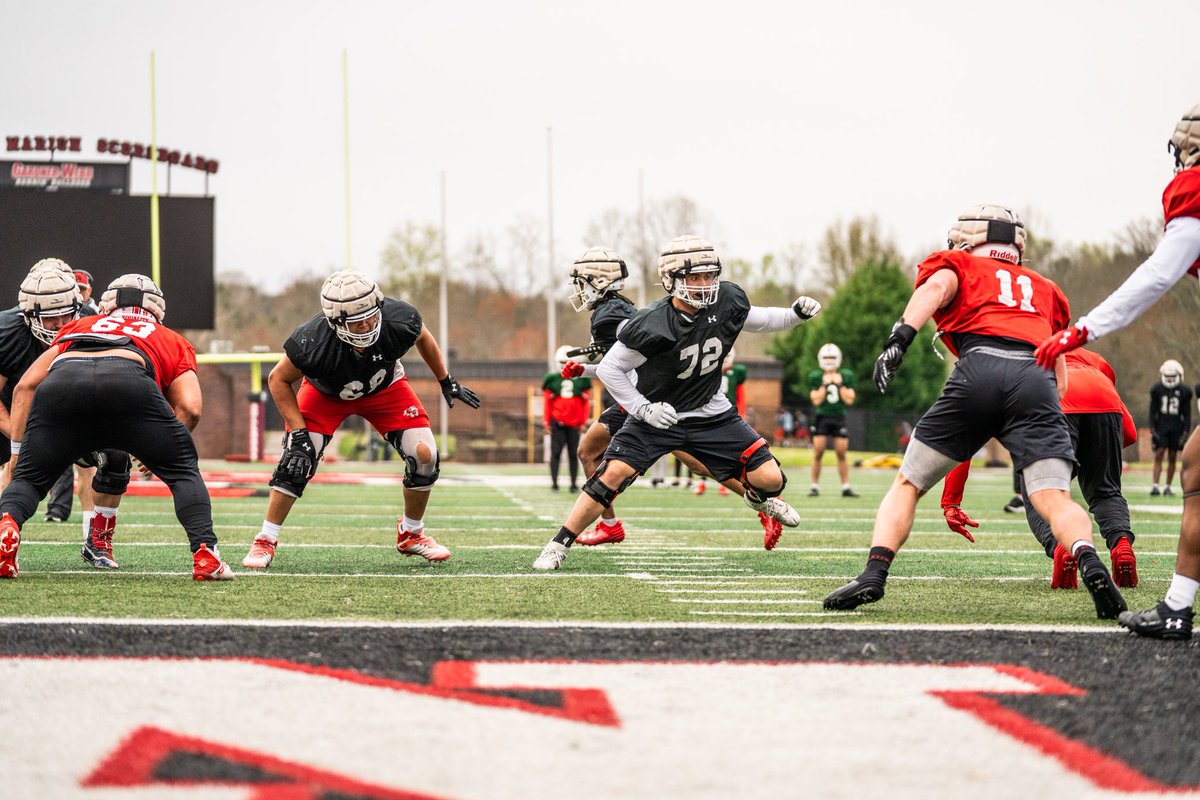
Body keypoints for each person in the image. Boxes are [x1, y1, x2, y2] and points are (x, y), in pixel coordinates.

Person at [824, 204, 1127, 621]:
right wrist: (1044, 407)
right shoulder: (1045, 288)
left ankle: (874, 574)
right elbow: (1059, 361)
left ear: (967, 241)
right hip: (1036, 378)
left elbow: (934, 289)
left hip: (979, 367)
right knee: (1053, 496)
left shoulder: (958, 264)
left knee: (909, 483)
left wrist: (899, 340)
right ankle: (1089, 559)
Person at [533, 234, 820, 570]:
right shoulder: (653, 321)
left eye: (709, 275)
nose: (704, 284)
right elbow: (612, 369)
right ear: (671, 279)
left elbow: (763, 319)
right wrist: (643, 409)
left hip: (712, 413)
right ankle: (558, 545)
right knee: (612, 474)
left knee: (772, 480)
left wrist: (795, 315)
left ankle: (758, 500)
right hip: (660, 413)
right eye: (694, 277)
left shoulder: (727, 300)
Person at [1036, 103, 1200, 638]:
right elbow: (1122, 417)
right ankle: (1176, 605)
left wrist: (1080, 329)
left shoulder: (1192, 190)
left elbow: (1157, 275)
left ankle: (1075, 550)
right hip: (1105, 415)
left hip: (1067, 410)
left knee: (1047, 483)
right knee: (1192, 465)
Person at [241, 269, 479, 569]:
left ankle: (411, 533)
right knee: (297, 458)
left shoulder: (399, 319)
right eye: (357, 321)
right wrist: (299, 434)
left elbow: (423, 337)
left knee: (425, 455)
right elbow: (277, 379)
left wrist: (445, 379)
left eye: (371, 316)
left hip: (385, 387)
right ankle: (265, 539)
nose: (367, 325)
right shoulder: (312, 340)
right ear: (335, 322)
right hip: (325, 394)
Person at [0, 273, 233, 581]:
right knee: (183, 473)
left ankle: (7, 525)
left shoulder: (80, 326)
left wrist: (20, 451)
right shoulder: (171, 339)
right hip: (129, 382)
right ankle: (206, 555)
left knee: (29, 481)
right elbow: (191, 408)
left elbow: (25, 386)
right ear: (157, 310)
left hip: (62, 386)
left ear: (106, 306)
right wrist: (163, 447)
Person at [940, 348, 1139, 589]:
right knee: (1106, 493)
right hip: (1103, 402)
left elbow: (965, 438)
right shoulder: (1092, 357)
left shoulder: (1002, 360)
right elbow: (1130, 433)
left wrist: (951, 502)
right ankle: (1121, 545)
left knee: (1040, 494)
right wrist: (1096, 453)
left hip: (1053, 404)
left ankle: (1062, 549)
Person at [44, 268, 101, 525]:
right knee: (18, 461)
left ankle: (90, 528)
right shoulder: (45, 315)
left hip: (82, 392)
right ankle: (55, 511)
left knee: (87, 465)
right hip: (53, 390)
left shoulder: (95, 315)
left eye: (82, 289)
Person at [807, 342, 859, 497]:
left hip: (838, 416)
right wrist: (825, 384)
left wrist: (839, 384)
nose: (829, 361)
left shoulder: (846, 375)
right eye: (826, 357)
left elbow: (850, 399)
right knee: (818, 452)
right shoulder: (816, 376)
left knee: (841, 453)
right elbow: (816, 400)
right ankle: (814, 486)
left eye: (832, 357)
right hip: (822, 417)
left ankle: (846, 487)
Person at [693, 348, 746, 496]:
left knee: (727, 451)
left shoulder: (737, 372)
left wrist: (741, 412)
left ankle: (725, 484)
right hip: (708, 414)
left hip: (728, 415)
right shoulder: (707, 369)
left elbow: (740, 394)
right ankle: (702, 482)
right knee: (703, 449)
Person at [542, 367, 591, 492]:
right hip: (557, 423)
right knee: (555, 453)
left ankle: (573, 484)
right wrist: (546, 422)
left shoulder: (582, 380)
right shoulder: (553, 379)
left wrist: (583, 422)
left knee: (574, 455)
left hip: (574, 424)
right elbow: (547, 403)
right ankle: (554, 484)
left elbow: (586, 403)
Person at [1149, 359, 1191, 496]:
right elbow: (1152, 411)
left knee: (1173, 456)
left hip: (1176, 426)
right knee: (1159, 454)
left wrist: (1186, 431)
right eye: (1167, 376)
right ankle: (1155, 486)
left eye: (1173, 376)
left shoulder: (1185, 391)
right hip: (1161, 425)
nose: (1170, 379)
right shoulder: (1156, 389)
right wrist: (1152, 428)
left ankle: (1168, 486)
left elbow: (1187, 414)